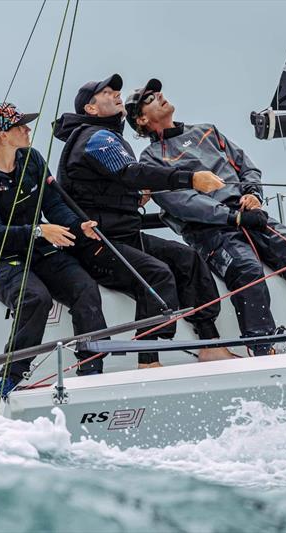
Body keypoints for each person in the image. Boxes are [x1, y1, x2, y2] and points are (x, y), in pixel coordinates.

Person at [127, 79, 286, 355]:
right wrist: (232, 218)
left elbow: (245, 166)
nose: (159, 96)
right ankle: (262, 347)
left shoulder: (206, 131)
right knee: (248, 273)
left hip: (249, 213)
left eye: (158, 92)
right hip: (212, 231)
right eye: (149, 98)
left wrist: (253, 193)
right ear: (142, 119)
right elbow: (183, 203)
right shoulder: (151, 161)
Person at [52, 74, 235, 367]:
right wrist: (190, 179)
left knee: (187, 259)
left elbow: (109, 184)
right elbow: (131, 173)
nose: (116, 95)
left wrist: (133, 197)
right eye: (107, 93)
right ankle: (146, 360)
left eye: (117, 91)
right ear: (91, 109)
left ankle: (209, 342)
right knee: (157, 274)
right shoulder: (96, 137)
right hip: (97, 245)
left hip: (123, 236)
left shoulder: (105, 136)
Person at [0, 102, 107, 397]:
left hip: (39, 248)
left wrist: (78, 226)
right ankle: (11, 378)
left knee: (83, 286)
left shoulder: (32, 159)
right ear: (4, 135)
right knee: (35, 298)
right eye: (21, 126)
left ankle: (91, 366)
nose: (28, 129)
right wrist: (40, 230)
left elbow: (54, 204)